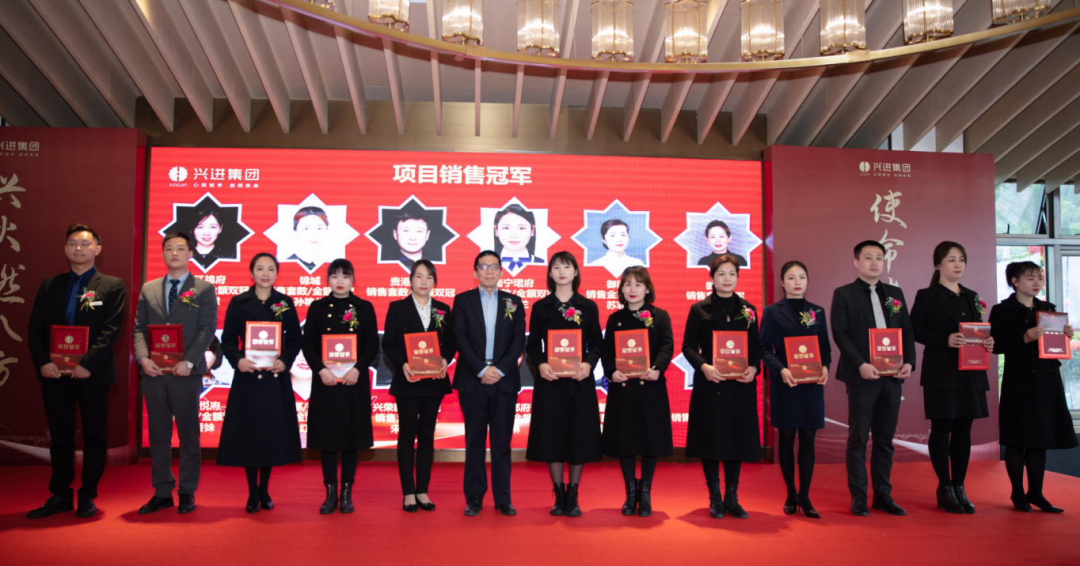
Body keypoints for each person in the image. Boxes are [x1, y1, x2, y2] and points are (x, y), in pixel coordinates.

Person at [25, 224, 126, 519]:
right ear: (65, 248)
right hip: (54, 374)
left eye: (84, 243)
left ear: (98, 249)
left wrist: (86, 364)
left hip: (93, 374)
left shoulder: (112, 285)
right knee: (60, 436)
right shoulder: (50, 284)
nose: (78, 248)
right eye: (72, 243)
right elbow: (35, 329)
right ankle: (60, 494)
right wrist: (44, 362)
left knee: (95, 436)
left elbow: (111, 330)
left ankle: (87, 495)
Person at [133, 231, 218, 514]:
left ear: (191, 253)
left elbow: (207, 329)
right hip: (155, 372)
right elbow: (139, 328)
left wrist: (190, 362)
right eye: (169, 248)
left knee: (188, 434)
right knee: (158, 434)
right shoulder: (149, 288)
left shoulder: (203, 288)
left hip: (186, 374)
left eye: (180, 248)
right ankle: (162, 492)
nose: (174, 253)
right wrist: (143, 358)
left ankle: (187, 491)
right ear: (162, 253)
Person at [831, 240, 915, 517]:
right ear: (857, 262)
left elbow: (906, 330)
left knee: (885, 439)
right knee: (858, 438)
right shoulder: (844, 294)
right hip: (862, 377)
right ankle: (858, 496)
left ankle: (882, 495)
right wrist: (861, 365)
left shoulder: (895, 293)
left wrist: (909, 362)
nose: (875, 262)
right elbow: (840, 333)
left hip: (892, 377)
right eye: (868, 257)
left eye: (879, 257)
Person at [216, 253, 303, 513]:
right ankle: (252, 492)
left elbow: (295, 340)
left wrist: (285, 361)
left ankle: (264, 489)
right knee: (249, 434)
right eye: (260, 269)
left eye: (270, 269)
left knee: (269, 435)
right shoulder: (239, 302)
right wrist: (238, 361)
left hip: (275, 379)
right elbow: (228, 340)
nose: (265, 274)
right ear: (251, 272)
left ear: (277, 273)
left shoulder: (284, 303)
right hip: (248, 378)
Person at [910, 242, 993, 514]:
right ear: (938, 265)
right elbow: (914, 330)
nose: (958, 265)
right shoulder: (927, 295)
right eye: (951, 260)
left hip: (971, 372)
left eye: (961, 260)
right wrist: (944, 339)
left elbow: (977, 330)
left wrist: (987, 341)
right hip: (941, 372)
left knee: (963, 430)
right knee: (942, 428)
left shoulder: (971, 295)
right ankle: (944, 486)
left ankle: (959, 485)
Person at [990, 261, 1078, 513]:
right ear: (1015, 281)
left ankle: (1036, 493)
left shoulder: (1048, 309)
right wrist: (1023, 338)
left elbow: (1054, 346)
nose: (1037, 283)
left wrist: (1065, 336)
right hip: (1019, 382)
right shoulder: (1002, 310)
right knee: (1017, 440)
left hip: (1046, 380)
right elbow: (996, 345)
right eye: (1030, 278)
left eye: (1039, 278)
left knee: (1040, 439)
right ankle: (1018, 493)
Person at [682, 254, 761, 519]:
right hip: (710, 385)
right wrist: (704, 366)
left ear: (738, 277)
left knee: (736, 439)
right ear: (712, 278)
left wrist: (754, 368)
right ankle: (715, 497)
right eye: (721, 274)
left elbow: (756, 348)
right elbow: (688, 347)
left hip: (739, 387)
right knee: (711, 439)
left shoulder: (748, 310)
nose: (727, 279)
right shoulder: (699, 309)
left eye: (732, 274)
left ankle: (732, 497)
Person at [525, 252, 603, 517]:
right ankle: (558, 492)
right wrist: (541, 365)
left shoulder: (588, 306)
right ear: (550, 273)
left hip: (579, 381)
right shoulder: (541, 307)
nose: (561, 271)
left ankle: (573, 494)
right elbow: (533, 344)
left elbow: (597, 343)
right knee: (552, 435)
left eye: (566, 267)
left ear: (575, 272)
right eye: (556, 267)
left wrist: (589, 364)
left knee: (579, 435)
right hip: (551, 381)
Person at [301, 258, 379, 514]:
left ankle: (346, 492)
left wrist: (357, 369)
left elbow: (371, 344)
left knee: (350, 439)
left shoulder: (364, 307)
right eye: (334, 276)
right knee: (327, 439)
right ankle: (330, 492)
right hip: (326, 383)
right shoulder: (317, 307)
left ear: (353, 280)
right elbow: (308, 343)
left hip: (353, 382)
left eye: (345, 276)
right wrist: (320, 370)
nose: (340, 281)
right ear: (328, 281)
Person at [452, 250, 527, 516]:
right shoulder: (462, 301)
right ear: (475, 272)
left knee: (501, 443)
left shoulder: (513, 302)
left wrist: (500, 369)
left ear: (501, 272)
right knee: (474, 442)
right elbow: (460, 338)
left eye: (494, 266)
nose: (489, 271)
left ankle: (503, 498)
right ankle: (474, 498)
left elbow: (519, 340)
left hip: (504, 382)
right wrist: (482, 369)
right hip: (473, 381)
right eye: (483, 267)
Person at [382, 259, 457, 512]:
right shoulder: (397, 308)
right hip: (408, 380)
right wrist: (403, 364)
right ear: (410, 280)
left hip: (434, 382)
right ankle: (408, 491)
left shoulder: (443, 309)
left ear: (434, 281)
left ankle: (422, 490)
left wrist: (444, 360)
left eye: (429, 277)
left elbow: (451, 342)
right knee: (406, 433)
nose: (424, 282)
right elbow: (389, 343)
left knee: (426, 434)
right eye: (419, 276)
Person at [759, 261, 831, 519]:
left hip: (811, 385)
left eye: (801, 277)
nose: (797, 282)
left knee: (808, 438)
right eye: (791, 277)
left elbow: (825, 347)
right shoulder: (772, 311)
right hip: (786, 383)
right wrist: (780, 370)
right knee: (787, 438)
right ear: (782, 282)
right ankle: (791, 493)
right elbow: (764, 348)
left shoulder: (817, 311)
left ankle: (805, 495)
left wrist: (825, 367)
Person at [601, 266, 674, 518]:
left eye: (638, 284)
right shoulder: (615, 319)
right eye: (628, 284)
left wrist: (657, 368)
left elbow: (667, 346)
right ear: (621, 289)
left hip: (650, 386)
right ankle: (630, 492)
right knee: (625, 441)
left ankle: (646, 492)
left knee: (650, 440)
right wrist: (611, 371)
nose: (633, 289)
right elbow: (606, 350)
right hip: (623, 389)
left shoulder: (659, 316)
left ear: (647, 289)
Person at [494, 204, 543, 272]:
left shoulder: (542, 263)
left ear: (532, 230)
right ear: (496, 230)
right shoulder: (487, 262)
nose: (514, 235)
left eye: (521, 228)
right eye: (506, 228)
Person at [289, 206, 329, 272]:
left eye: (319, 228)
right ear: (295, 230)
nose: (313, 234)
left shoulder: (329, 265)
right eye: (306, 228)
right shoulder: (288, 263)